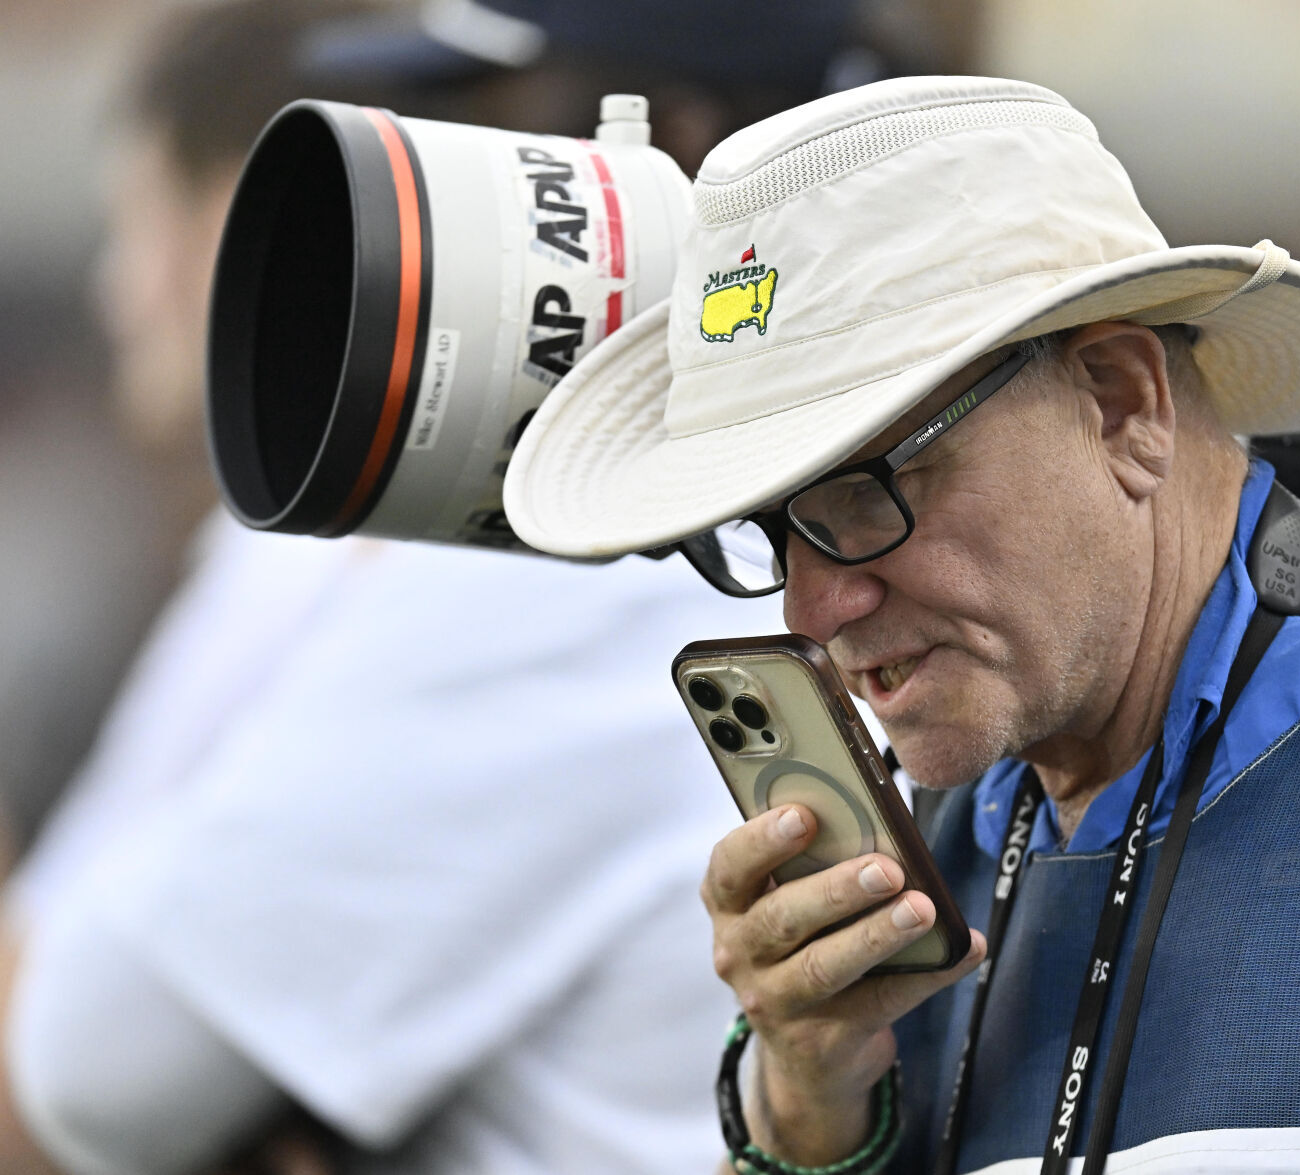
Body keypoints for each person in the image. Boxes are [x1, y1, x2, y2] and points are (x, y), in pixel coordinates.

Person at [499, 76, 1300, 1173]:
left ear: (1120, 402)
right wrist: (806, 1102)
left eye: (866, 493)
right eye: (771, 529)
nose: (813, 606)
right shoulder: (936, 856)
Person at [0, 3, 789, 1173]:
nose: (430, 185)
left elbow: (75, 1086)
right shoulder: (538, 521)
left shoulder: (576, 546)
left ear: (665, 146)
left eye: (487, 126)